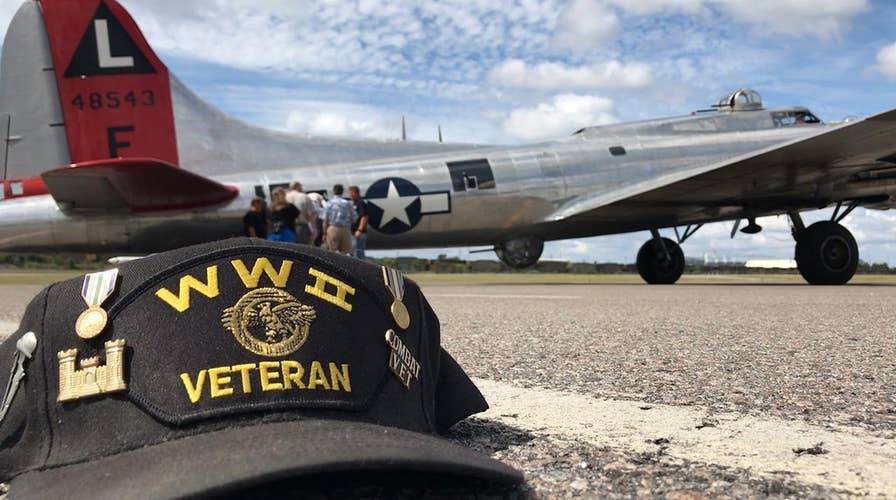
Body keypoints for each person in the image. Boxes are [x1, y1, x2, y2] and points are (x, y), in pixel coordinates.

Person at [322, 184, 356, 255]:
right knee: (346, 253)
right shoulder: (347, 203)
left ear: (333, 191)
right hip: (345, 229)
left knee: (332, 253)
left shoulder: (329, 203)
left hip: (333, 228)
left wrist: (324, 233)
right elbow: (354, 218)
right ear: (342, 192)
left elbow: (325, 220)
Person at [348, 185, 369, 260]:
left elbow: (364, 216)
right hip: (352, 232)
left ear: (357, 193)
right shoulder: (352, 204)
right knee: (352, 253)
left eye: (352, 193)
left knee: (359, 252)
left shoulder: (360, 203)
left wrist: (359, 230)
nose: (350, 195)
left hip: (359, 233)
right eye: (349, 193)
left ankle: (364, 270)